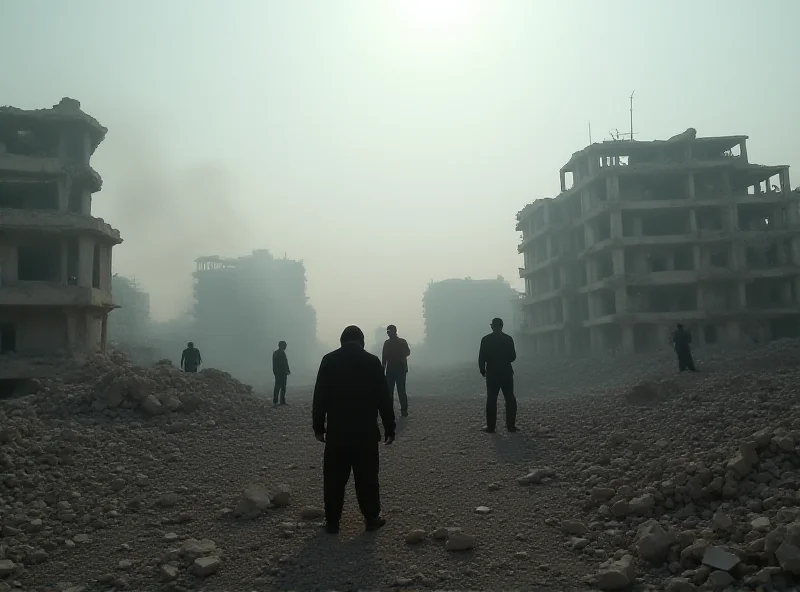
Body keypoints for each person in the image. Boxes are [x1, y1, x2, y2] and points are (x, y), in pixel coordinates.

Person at [312, 325, 396, 535]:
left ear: (342, 341)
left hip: (338, 433)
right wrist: (389, 427)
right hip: (365, 433)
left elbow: (320, 395)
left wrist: (318, 427)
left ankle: (332, 522)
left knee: (334, 479)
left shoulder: (329, 360)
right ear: (362, 341)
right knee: (367, 478)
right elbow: (383, 398)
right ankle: (371, 518)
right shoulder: (372, 362)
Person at [478, 318, 518, 433]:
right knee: (509, 398)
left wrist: (482, 369)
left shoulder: (486, 339)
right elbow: (513, 357)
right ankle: (511, 426)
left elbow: (482, 357)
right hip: (506, 372)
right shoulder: (508, 339)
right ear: (502, 326)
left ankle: (491, 427)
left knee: (491, 399)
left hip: (492, 373)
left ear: (492, 326)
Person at [382, 324, 411, 417]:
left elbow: (384, 358)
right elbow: (407, 352)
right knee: (399, 391)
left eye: (389, 331)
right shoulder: (402, 342)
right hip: (399, 369)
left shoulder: (388, 343)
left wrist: (383, 369)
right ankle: (403, 411)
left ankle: (393, 411)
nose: (388, 333)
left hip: (393, 369)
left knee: (394, 391)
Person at [272, 340, 290, 405]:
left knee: (279, 387)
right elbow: (284, 363)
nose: (285, 347)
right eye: (285, 346)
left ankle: (277, 400)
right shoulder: (280, 353)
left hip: (279, 372)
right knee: (281, 387)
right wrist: (287, 370)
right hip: (281, 372)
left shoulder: (276, 353)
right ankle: (280, 401)